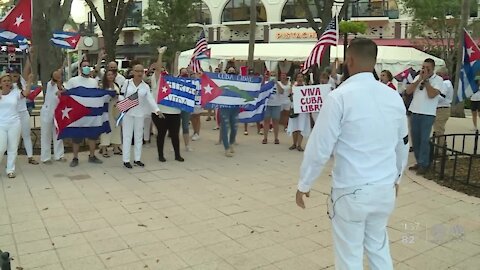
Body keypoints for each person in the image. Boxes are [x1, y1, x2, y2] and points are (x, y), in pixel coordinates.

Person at [296, 38, 409, 270]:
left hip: (351, 190)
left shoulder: (339, 97)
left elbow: (320, 145)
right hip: (384, 189)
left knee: (349, 256)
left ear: (349, 60)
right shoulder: (393, 97)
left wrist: (304, 183)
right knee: (378, 248)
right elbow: (402, 143)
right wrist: (397, 178)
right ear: (374, 61)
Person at [406, 58, 445, 175]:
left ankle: (424, 164)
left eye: (427, 68)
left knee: (424, 140)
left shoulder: (438, 80)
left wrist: (426, 81)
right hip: (415, 111)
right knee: (416, 139)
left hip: (428, 113)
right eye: (423, 67)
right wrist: (419, 80)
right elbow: (408, 91)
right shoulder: (418, 77)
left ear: (433, 68)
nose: (424, 69)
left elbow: (432, 94)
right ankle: (419, 161)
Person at [120, 64, 161, 168]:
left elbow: (150, 99)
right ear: (132, 72)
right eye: (137, 71)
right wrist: (122, 104)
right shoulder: (127, 83)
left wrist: (157, 110)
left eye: (141, 71)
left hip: (139, 114)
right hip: (127, 113)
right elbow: (121, 95)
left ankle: (137, 159)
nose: (139, 73)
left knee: (139, 137)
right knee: (127, 136)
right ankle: (126, 160)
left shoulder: (145, 86)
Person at [65, 60, 104, 167]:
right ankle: (75, 157)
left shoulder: (94, 82)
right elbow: (66, 94)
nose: (86, 67)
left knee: (92, 136)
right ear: (80, 68)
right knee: (77, 137)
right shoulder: (73, 81)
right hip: (78, 114)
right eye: (84, 66)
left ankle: (92, 156)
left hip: (92, 114)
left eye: (88, 66)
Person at [151, 47, 185, 162]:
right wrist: (160, 54)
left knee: (175, 135)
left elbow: (175, 71)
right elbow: (158, 69)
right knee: (161, 134)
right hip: (161, 112)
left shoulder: (173, 80)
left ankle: (177, 154)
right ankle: (160, 155)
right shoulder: (157, 79)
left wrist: (176, 57)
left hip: (175, 112)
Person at [0, 73, 33, 178]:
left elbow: (26, 93)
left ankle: (10, 170)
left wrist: (29, 81)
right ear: (1, 83)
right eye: (4, 81)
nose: (7, 83)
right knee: (1, 147)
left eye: (8, 81)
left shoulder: (16, 93)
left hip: (14, 123)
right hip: (1, 124)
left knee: (13, 148)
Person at [9, 66, 39, 165]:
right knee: (13, 137)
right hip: (12, 115)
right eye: (13, 73)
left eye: (17, 73)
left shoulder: (21, 82)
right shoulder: (6, 85)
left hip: (23, 113)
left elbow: (27, 67)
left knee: (26, 135)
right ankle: (11, 159)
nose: (15, 75)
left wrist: (30, 52)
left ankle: (30, 157)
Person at [40, 69, 65, 164]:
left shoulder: (62, 88)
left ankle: (59, 155)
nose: (58, 77)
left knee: (58, 134)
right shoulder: (51, 84)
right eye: (56, 75)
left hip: (58, 113)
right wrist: (56, 76)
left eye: (60, 75)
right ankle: (46, 157)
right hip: (47, 112)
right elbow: (54, 80)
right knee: (46, 134)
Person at [99, 70, 122, 157]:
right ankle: (104, 148)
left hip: (116, 109)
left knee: (116, 127)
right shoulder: (103, 86)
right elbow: (102, 98)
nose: (110, 76)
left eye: (112, 74)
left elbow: (120, 95)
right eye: (108, 75)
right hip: (107, 109)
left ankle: (116, 147)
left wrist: (117, 97)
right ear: (106, 76)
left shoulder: (116, 85)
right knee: (106, 128)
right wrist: (110, 96)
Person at [219, 66, 241, 157]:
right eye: (229, 71)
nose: (231, 73)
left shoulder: (238, 82)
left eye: (233, 71)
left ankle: (231, 142)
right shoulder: (222, 82)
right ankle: (226, 148)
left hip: (235, 107)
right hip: (224, 108)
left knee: (235, 127)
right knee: (225, 127)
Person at [287, 73, 311, 151]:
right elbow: (291, 99)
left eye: (301, 77)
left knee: (301, 126)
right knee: (295, 127)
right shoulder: (293, 87)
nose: (300, 78)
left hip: (303, 110)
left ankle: (299, 145)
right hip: (295, 109)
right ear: (296, 78)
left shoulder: (306, 88)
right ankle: (294, 143)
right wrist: (291, 94)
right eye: (298, 77)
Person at [433, 68, 454, 147]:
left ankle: (440, 150)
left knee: (439, 131)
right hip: (443, 109)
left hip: (442, 109)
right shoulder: (447, 83)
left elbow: (441, 97)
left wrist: (432, 97)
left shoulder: (445, 84)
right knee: (439, 129)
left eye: (438, 75)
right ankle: (442, 147)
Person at [262, 72, 283, 144]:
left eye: (274, 75)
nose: (273, 77)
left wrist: (276, 83)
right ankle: (265, 138)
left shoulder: (279, 83)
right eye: (271, 75)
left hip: (276, 105)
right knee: (266, 121)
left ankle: (276, 138)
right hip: (267, 104)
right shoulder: (266, 83)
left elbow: (281, 91)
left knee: (276, 122)